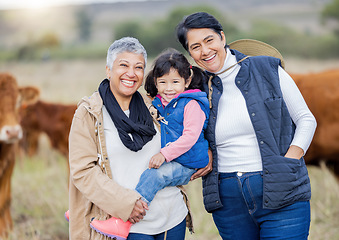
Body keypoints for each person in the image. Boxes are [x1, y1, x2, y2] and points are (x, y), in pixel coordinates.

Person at [176, 12, 317, 240]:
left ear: (222, 37)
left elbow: (306, 119)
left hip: (280, 187)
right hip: (228, 200)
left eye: (209, 40)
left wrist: (290, 160)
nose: (205, 51)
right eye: (195, 46)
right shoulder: (196, 90)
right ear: (190, 53)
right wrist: (207, 151)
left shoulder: (267, 69)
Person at [68, 37, 192, 240]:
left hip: (172, 216)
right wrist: (125, 204)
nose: (131, 74)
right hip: (126, 221)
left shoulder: (155, 105)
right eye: (123, 65)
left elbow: (185, 134)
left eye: (139, 67)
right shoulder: (89, 113)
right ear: (109, 70)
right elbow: (83, 171)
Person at [90, 48, 210, 239]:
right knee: (153, 176)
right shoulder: (161, 103)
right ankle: (89, 213)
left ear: (186, 82)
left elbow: (190, 137)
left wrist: (165, 154)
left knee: (154, 176)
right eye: (162, 82)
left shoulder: (192, 104)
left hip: (187, 163)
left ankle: (124, 219)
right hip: (179, 159)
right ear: (155, 82)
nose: (168, 88)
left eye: (175, 82)